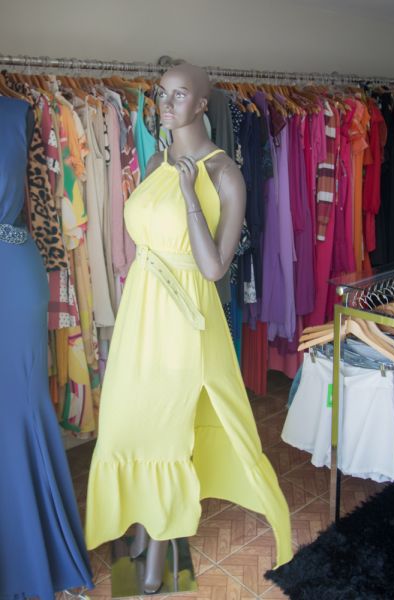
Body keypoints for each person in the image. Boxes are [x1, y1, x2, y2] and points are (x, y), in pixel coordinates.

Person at [85, 63, 292, 594]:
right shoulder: (157, 159)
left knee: (165, 430)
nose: (166, 104)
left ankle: (160, 542)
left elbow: (215, 268)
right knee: (126, 422)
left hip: (182, 321)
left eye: (180, 95)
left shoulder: (225, 173)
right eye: (162, 94)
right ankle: (139, 522)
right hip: (140, 312)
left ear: (203, 104)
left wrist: (188, 193)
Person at [0, 97, 93, 600]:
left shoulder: (17, 113)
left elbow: (43, 208)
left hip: (12, 280)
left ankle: (37, 557)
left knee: (19, 416)